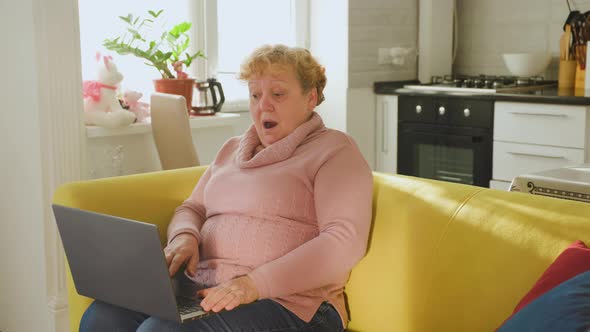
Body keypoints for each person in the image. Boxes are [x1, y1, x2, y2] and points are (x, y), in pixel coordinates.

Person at [79, 44, 373, 332]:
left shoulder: (334, 151)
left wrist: (253, 285)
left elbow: (344, 241)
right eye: (255, 95)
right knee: (103, 317)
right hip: (208, 290)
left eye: (278, 94)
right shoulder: (232, 149)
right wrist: (185, 236)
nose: (263, 105)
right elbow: (192, 208)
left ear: (311, 98)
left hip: (295, 305)